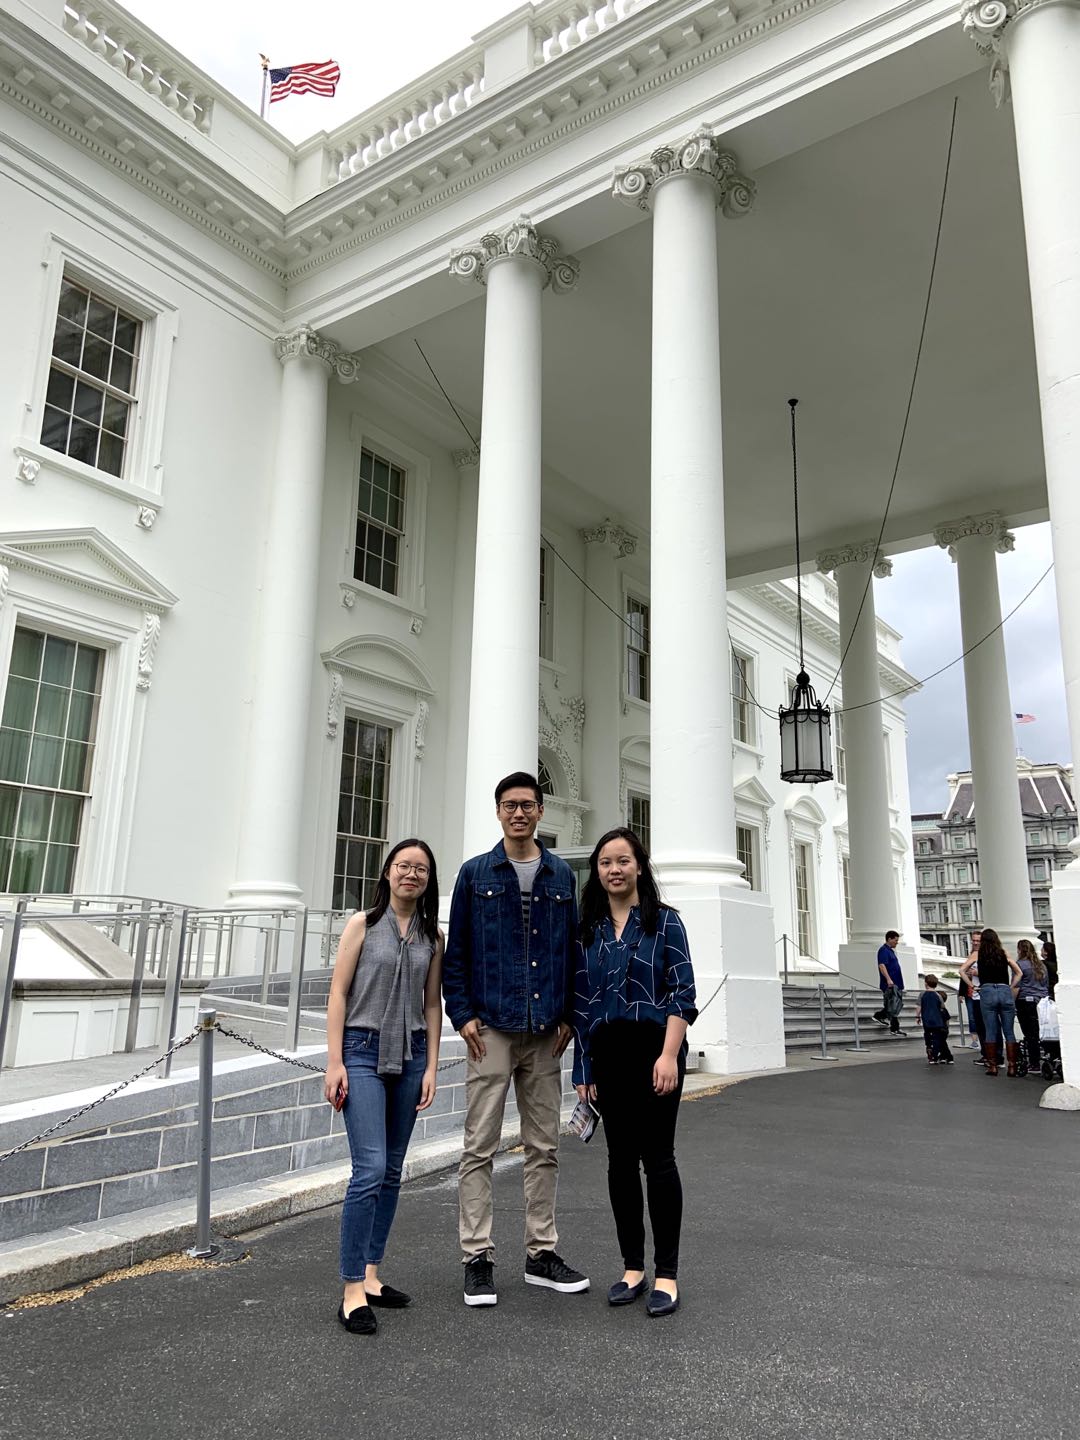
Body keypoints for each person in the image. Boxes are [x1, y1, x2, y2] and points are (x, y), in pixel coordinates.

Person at [443, 771, 588, 1308]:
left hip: (546, 1031)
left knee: (543, 1146)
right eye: (510, 805)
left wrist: (571, 1014)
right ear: (498, 811)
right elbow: (456, 954)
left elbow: (572, 952)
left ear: (541, 811)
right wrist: (461, 1016)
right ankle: (477, 1259)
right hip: (492, 1030)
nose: (519, 813)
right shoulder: (474, 873)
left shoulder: (559, 876)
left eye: (527, 805)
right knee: (478, 1146)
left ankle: (540, 1253)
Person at [323, 839, 445, 1336]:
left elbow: (432, 1004)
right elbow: (338, 991)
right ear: (388, 873)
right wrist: (334, 1061)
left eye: (420, 869)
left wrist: (434, 1066)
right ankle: (351, 1289)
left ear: (428, 879)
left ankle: (373, 1274)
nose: (411, 874)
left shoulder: (432, 936)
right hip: (362, 1050)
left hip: (411, 1054)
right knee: (369, 1168)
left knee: (393, 1169)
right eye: (403, 866)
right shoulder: (362, 924)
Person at [573, 828, 696, 1319]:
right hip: (608, 1056)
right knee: (619, 1163)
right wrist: (584, 1068)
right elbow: (583, 1005)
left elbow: (682, 992)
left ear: (639, 866)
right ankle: (632, 1268)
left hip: (655, 1051)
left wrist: (668, 1055)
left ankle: (666, 1273)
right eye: (605, 862)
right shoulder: (592, 929)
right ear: (597, 871)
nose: (614, 870)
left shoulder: (665, 923)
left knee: (658, 1160)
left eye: (622, 860)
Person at [959, 928, 1023, 1077]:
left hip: (987, 991)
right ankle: (1012, 1066)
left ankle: (992, 1065)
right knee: (1009, 1031)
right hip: (1004, 990)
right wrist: (1010, 986)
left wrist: (972, 985)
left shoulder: (978, 954)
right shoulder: (1003, 953)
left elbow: (962, 970)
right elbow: (1019, 972)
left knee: (990, 1030)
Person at [1014, 938, 1049, 1077]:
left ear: (1019, 950)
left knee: (1029, 1033)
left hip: (1026, 1000)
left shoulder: (1020, 965)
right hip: (1041, 1001)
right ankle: (1046, 1055)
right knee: (1040, 1031)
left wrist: (1012, 1001)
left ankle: (1033, 1063)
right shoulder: (1041, 965)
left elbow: (1017, 985)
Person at [872, 930, 906, 1036]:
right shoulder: (883, 950)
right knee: (893, 1005)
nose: (897, 942)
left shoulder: (890, 951)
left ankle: (879, 1016)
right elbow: (882, 965)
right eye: (895, 940)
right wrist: (888, 979)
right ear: (889, 939)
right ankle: (894, 1028)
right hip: (890, 984)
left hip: (896, 983)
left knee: (893, 1005)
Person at [919, 975, 953, 1065]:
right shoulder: (938, 999)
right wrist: (947, 1028)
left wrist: (917, 1016)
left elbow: (918, 1006)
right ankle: (941, 1056)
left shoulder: (923, 995)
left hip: (930, 1023)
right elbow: (947, 1018)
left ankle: (936, 1053)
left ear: (926, 984)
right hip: (940, 1026)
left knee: (936, 1040)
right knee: (941, 1042)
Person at [958, 929, 981, 1050]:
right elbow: (962, 974)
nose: (975, 943)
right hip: (970, 991)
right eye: (974, 941)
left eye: (978, 940)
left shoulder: (985, 955)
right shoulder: (971, 955)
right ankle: (974, 1041)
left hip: (981, 991)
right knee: (972, 1016)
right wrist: (961, 992)